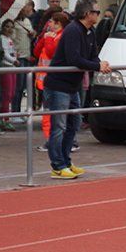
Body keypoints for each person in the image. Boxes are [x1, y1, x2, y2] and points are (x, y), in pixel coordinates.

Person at [44, 0, 110, 179]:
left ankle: (66, 160)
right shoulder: (73, 30)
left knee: (74, 125)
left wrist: (100, 64)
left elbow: (92, 55)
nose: (98, 14)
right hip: (59, 85)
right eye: (96, 11)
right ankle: (57, 165)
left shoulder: (90, 32)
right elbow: (74, 59)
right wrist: (97, 66)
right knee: (59, 126)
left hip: (73, 86)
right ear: (87, 13)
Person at [33, 12, 69, 151]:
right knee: (50, 112)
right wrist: (43, 37)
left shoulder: (60, 37)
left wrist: (47, 39)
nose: (49, 25)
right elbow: (36, 52)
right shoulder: (52, 36)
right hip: (45, 81)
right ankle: (53, 140)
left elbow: (50, 53)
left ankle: (51, 141)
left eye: (52, 22)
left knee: (51, 114)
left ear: (58, 24)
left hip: (52, 81)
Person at [11, 0, 36, 118]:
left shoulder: (27, 21)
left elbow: (28, 38)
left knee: (24, 87)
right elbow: (12, 38)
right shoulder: (14, 22)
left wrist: (32, 35)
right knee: (18, 86)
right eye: (27, 8)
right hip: (18, 57)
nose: (29, 11)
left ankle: (18, 111)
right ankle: (15, 112)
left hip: (27, 56)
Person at [0, 19, 19, 132]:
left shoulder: (9, 39)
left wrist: (15, 57)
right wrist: (14, 60)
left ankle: (6, 117)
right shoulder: (2, 39)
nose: (9, 29)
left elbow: (11, 52)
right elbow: (5, 54)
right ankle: (4, 119)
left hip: (12, 67)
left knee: (11, 94)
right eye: (7, 26)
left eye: (11, 27)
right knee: (7, 94)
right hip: (6, 67)